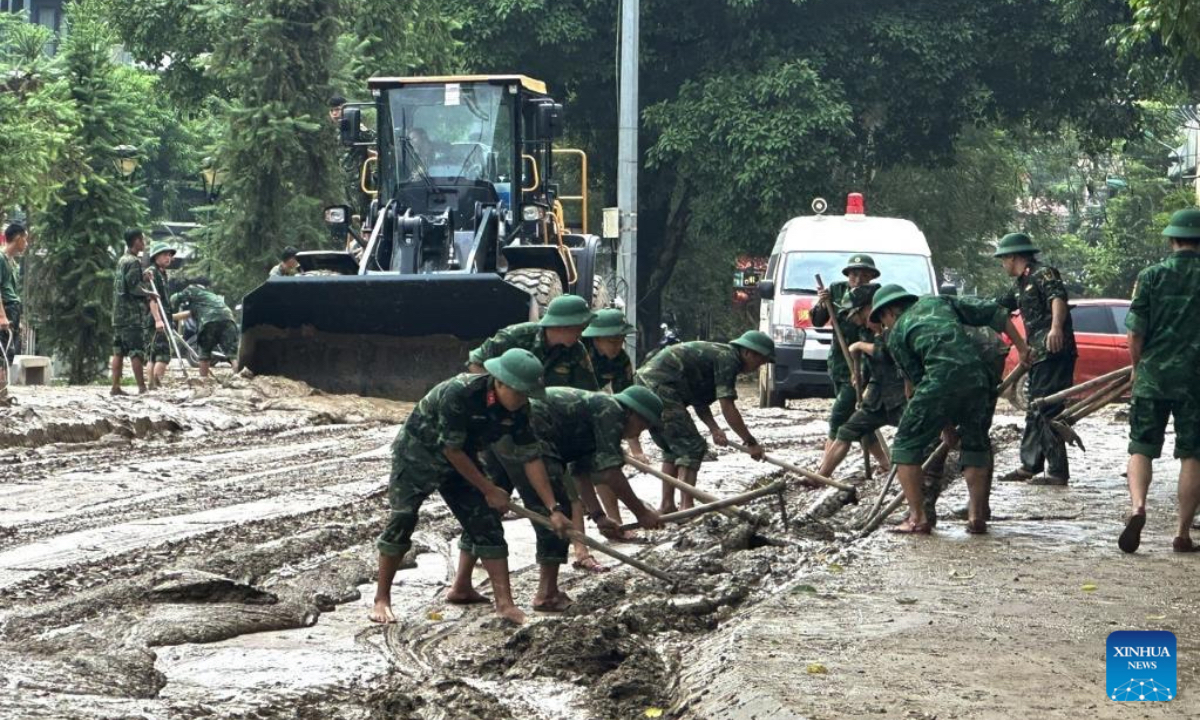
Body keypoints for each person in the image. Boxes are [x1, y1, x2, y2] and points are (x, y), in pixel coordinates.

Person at [372, 348, 570, 625]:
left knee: (486, 523)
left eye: (527, 393)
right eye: (519, 392)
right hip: (419, 456)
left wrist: (553, 508)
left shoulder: (520, 409)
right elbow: (451, 450)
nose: (523, 399)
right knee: (403, 518)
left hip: (463, 461)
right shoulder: (460, 393)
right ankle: (382, 599)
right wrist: (490, 488)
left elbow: (531, 456)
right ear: (499, 382)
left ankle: (503, 604)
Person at [869, 284, 1029, 535]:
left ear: (888, 312)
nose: (884, 326)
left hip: (939, 380)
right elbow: (994, 312)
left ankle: (917, 518)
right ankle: (977, 516)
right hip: (978, 377)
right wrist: (1023, 349)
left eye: (882, 320)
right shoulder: (940, 301)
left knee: (904, 445)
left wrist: (943, 425)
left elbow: (919, 383)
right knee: (975, 443)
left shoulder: (897, 333)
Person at [491, 385, 665, 611]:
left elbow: (580, 471)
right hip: (528, 436)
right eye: (643, 425)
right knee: (556, 513)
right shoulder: (611, 410)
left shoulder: (596, 415)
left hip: (501, 435)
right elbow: (610, 472)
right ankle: (547, 594)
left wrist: (599, 516)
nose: (638, 433)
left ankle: (462, 585)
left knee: (486, 511)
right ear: (632, 413)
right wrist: (641, 513)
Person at [467, 295, 604, 569]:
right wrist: (498, 406)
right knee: (492, 496)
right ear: (565, 325)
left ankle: (581, 550)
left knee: (564, 488)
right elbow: (476, 364)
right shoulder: (516, 337)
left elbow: (586, 396)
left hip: (543, 428)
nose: (582, 333)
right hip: (503, 425)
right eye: (579, 327)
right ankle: (469, 568)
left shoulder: (576, 353)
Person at [1118, 209, 1200, 554]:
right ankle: (1182, 532)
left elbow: (1135, 332)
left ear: (1172, 239)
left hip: (1153, 375)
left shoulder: (1151, 276)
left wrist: (1138, 368)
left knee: (1141, 446)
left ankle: (1138, 506)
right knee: (1193, 455)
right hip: (1195, 381)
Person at [635, 330, 776, 513]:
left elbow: (699, 400)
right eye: (760, 361)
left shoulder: (717, 356)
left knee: (673, 448)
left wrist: (714, 429)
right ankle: (687, 508)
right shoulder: (729, 359)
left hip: (648, 384)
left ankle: (667, 505)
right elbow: (727, 406)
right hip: (660, 387)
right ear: (748, 352)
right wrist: (750, 441)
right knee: (692, 446)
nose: (759, 366)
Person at [994, 233, 1077, 486]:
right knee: (1035, 408)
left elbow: (1058, 299)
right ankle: (1030, 465)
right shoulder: (1020, 284)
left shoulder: (1043, 273)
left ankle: (1057, 471)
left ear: (1013, 256)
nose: (1002, 265)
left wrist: (1056, 328)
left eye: (1003, 259)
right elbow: (997, 308)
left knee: (1047, 408)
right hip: (1037, 354)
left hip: (1054, 351)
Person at [817, 285, 904, 479]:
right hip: (878, 395)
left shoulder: (894, 323)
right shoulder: (867, 330)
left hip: (902, 395)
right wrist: (861, 378)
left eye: (854, 314)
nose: (853, 320)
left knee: (912, 439)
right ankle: (820, 477)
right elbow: (872, 364)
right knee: (847, 430)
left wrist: (860, 346)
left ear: (867, 308)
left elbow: (888, 353)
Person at [812, 254, 888, 470]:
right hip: (839, 361)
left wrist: (861, 371)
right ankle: (885, 462)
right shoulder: (835, 290)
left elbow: (871, 332)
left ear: (872, 277)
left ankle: (823, 470)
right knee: (860, 416)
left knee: (839, 417)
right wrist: (823, 303)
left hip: (863, 363)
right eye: (854, 274)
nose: (858, 279)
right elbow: (817, 321)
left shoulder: (875, 293)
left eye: (864, 275)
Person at [111, 229, 162, 396]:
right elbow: (134, 288)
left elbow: (128, 282)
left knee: (118, 351)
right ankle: (142, 387)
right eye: (142, 240)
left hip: (118, 314)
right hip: (131, 315)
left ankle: (115, 386)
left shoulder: (122, 260)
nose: (144, 243)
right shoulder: (133, 262)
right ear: (136, 241)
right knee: (136, 351)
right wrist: (150, 294)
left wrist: (143, 278)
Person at [170, 279, 239, 377]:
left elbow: (174, 298)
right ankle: (239, 377)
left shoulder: (192, 289)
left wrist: (168, 305)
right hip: (228, 320)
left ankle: (203, 380)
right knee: (232, 355)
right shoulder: (208, 297)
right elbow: (188, 314)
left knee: (204, 354)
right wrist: (170, 317)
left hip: (209, 322)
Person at [0, 223, 28, 405]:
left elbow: (12, 291)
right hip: (4, 310)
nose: (26, 244)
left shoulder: (12, 262)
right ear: (17, 238)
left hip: (12, 310)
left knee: (8, 353)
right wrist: (1, 316)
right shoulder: (1, 259)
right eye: (25, 239)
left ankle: (2, 392)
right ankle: (1, 393)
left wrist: (18, 320)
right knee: (1, 352)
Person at [144, 243, 177, 389]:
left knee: (153, 354)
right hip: (156, 318)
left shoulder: (162, 273)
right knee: (163, 354)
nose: (168, 257)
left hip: (162, 318)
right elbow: (153, 299)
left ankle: (151, 386)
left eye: (170, 255)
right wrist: (158, 320)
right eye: (165, 254)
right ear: (156, 256)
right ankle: (155, 386)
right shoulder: (152, 273)